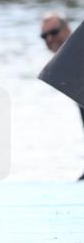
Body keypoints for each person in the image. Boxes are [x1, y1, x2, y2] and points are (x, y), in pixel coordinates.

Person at [39, 11, 84, 178]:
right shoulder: (71, 67)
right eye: (44, 36)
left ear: (68, 29)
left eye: (54, 32)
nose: (50, 39)